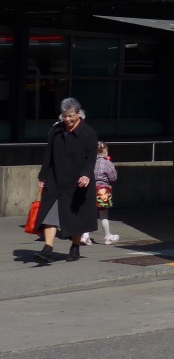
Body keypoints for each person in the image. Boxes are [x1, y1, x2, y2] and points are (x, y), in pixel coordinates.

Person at [33, 98, 98, 265]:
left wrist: (86, 175)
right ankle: (48, 248)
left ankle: (75, 246)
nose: (67, 120)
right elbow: (48, 155)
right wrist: (42, 177)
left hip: (77, 182)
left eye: (70, 116)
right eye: (64, 116)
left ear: (78, 114)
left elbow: (91, 159)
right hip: (55, 179)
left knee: (75, 217)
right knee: (49, 213)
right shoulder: (56, 131)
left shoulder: (88, 133)